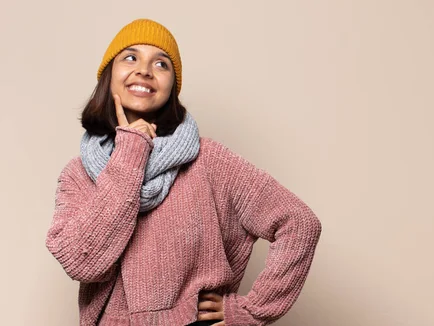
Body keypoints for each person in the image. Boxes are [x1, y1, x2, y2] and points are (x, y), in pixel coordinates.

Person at [45, 18, 322, 326]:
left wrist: (251, 311)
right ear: (109, 75)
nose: (145, 70)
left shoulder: (210, 161)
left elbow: (299, 223)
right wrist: (132, 149)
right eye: (130, 57)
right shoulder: (78, 174)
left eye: (161, 64)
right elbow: (84, 263)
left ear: (172, 86)